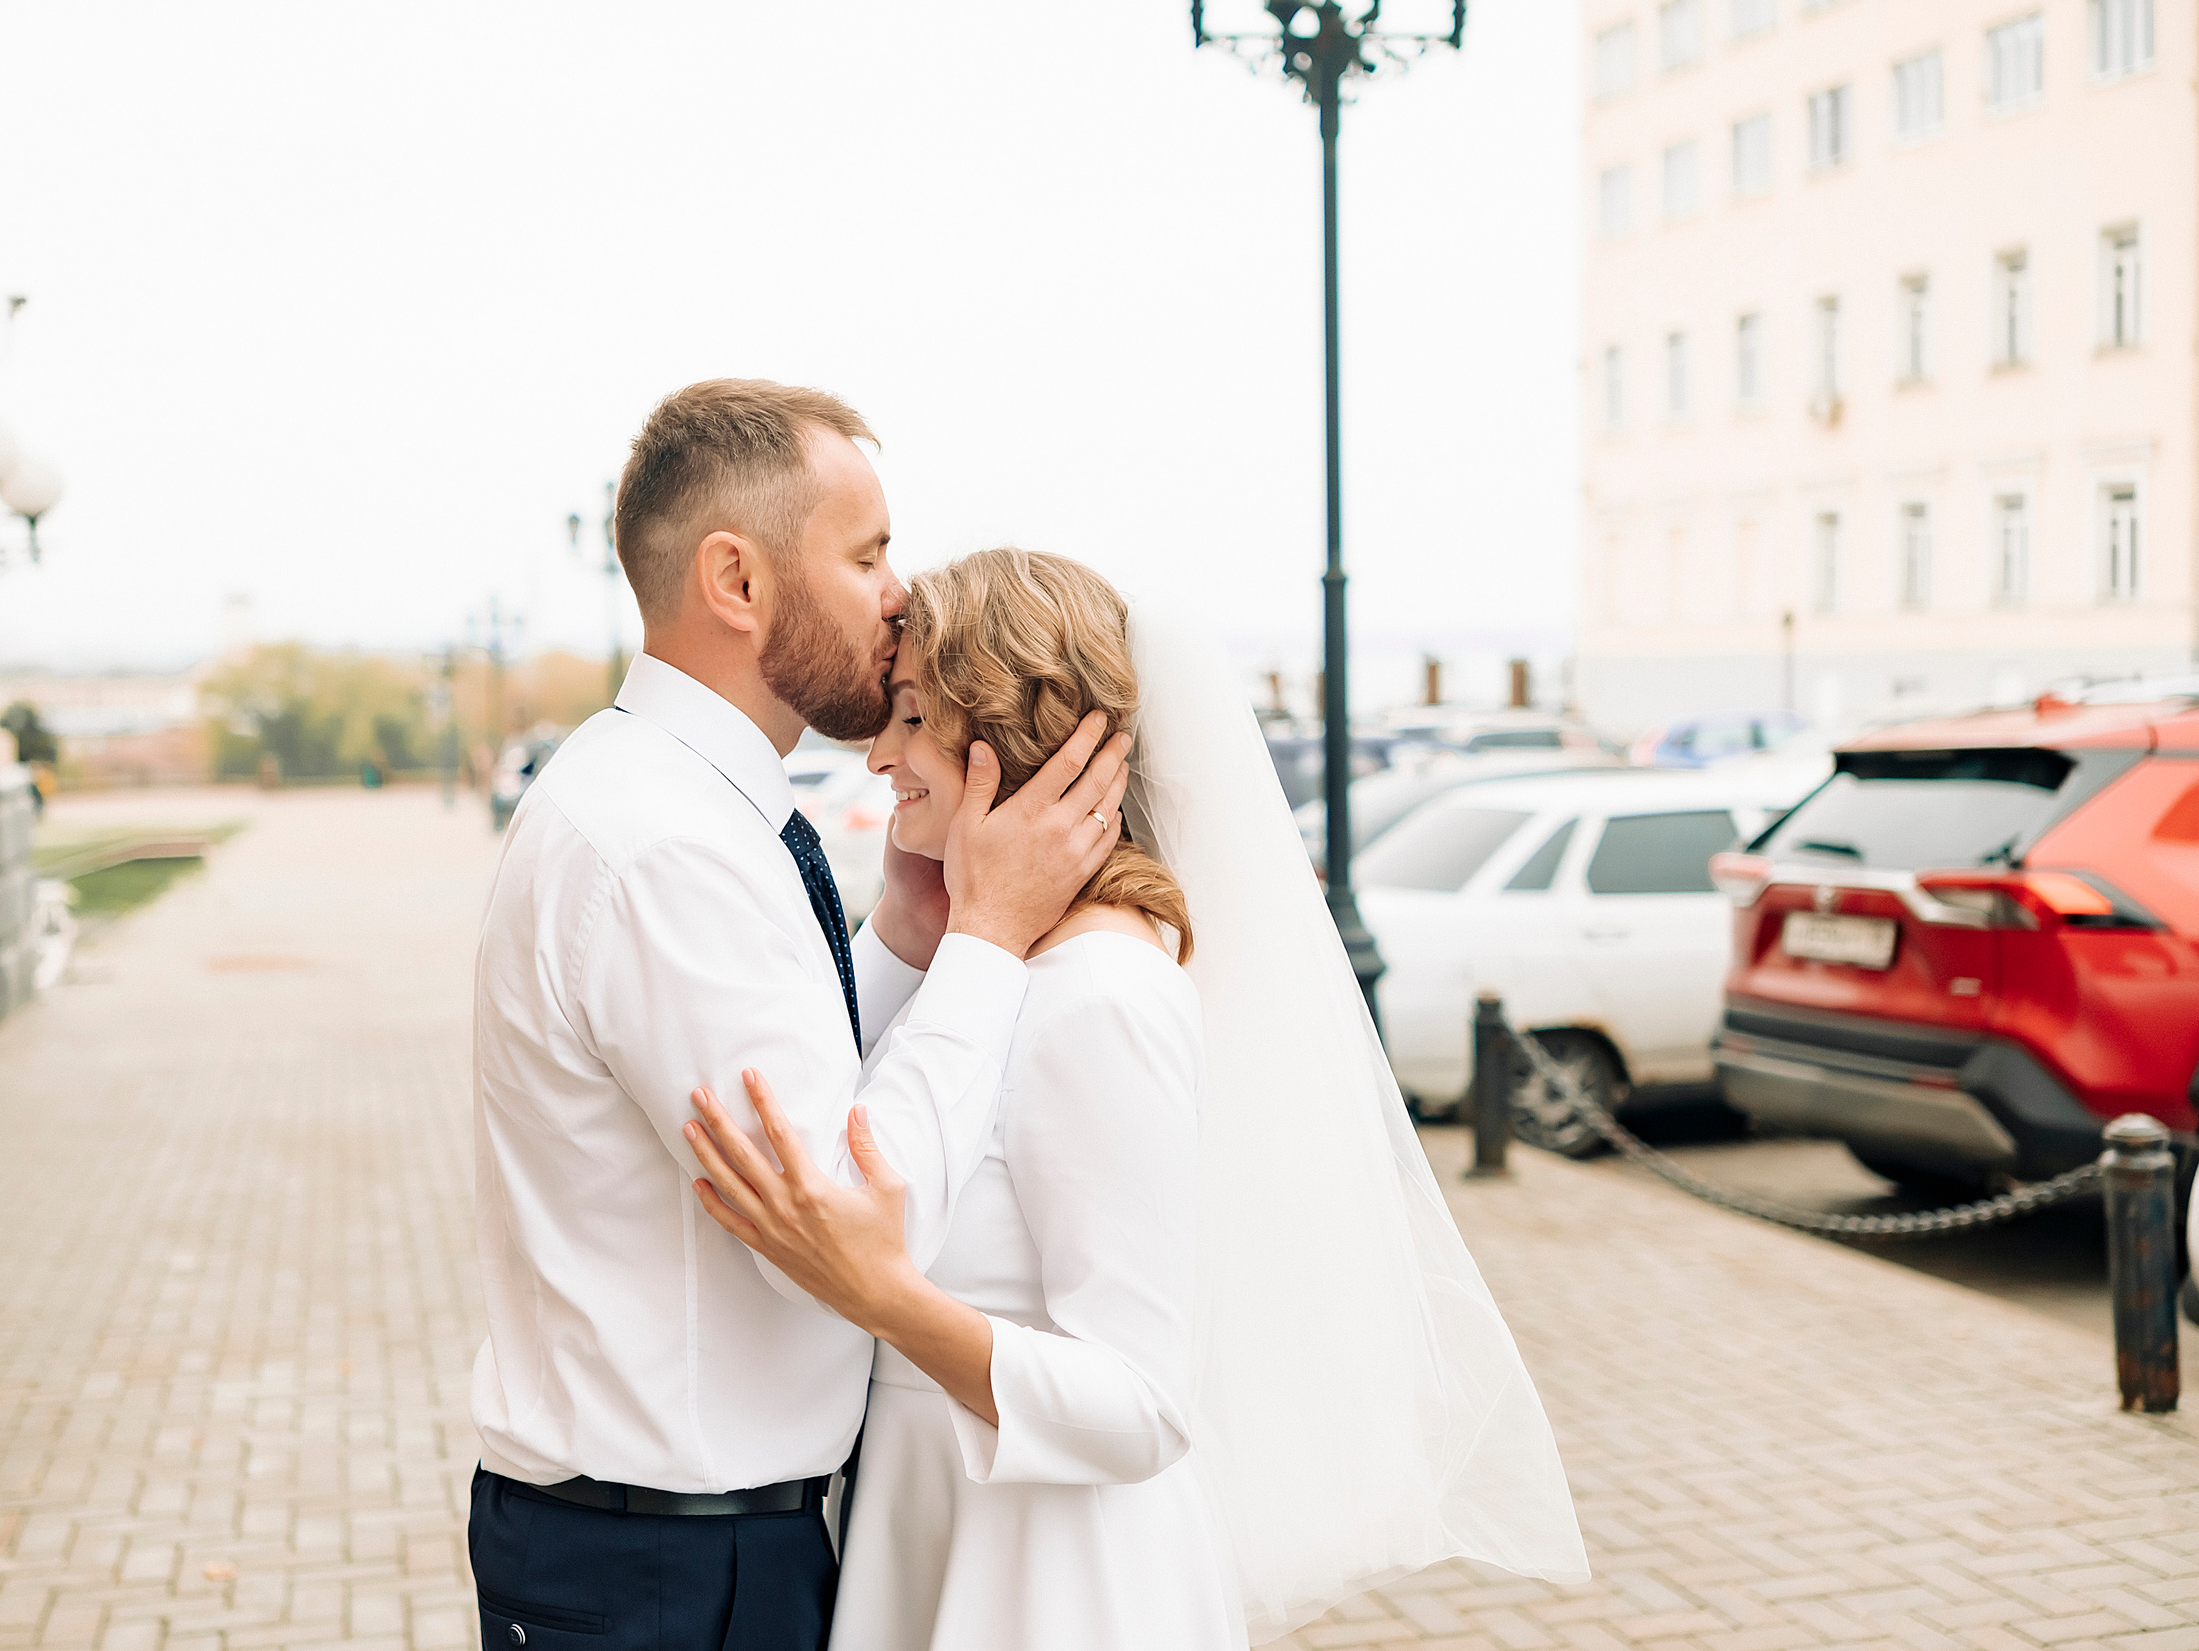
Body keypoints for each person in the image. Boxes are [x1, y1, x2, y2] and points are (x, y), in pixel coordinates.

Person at [687, 550, 1590, 1649]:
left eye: (913, 717)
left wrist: (888, 1301)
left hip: (1048, 1578)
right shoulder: (988, 964)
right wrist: (923, 912)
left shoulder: (1098, 996)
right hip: (939, 1523)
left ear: (1008, 740)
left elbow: (1140, 1403)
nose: (878, 754)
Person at [466, 384, 1134, 1651]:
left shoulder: (686, 803)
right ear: (738, 578)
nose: (899, 592)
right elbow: (854, 1219)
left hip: (678, 1542)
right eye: (867, 551)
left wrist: (906, 935)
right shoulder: (665, 846)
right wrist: (990, 938)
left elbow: (806, 1081)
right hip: (667, 1567)